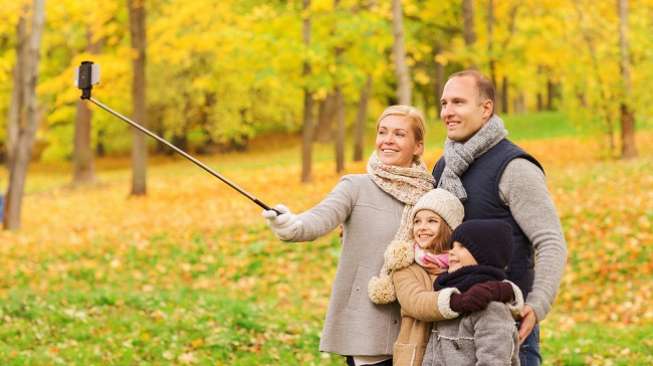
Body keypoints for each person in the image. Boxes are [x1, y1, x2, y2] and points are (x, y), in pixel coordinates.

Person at [263, 106, 510, 366]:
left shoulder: (431, 194)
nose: (387, 140)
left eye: (399, 134)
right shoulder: (355, 188)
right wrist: (289, 224)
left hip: (423, 330)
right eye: (382, 132)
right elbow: (315, 221)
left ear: (418, 146)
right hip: (368, 330)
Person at [433, 70, 567, 365]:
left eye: (458, 102)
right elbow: (424, 228)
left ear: (486, 108)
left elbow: (551, 241)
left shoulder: (515, 168)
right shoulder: (444, 168)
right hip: (449, 330)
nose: (447, 112)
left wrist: (537, 305)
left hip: (503, 327)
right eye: (444, 103)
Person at [371, 188, 518, 366]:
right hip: (415, 355)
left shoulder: (457, 268)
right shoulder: (405, 265)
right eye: (417, 221)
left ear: (449, 228)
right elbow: (417, 302)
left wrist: (505, 290)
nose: (422, 227)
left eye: (432, 221)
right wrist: (461, 300)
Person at [422, 219, 524, 366]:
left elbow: (493, 362)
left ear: (485, 255)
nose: (451, 251)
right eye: (452, 246)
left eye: (462, 246)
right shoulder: (451, 298)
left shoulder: (492, 308)